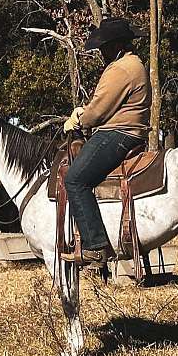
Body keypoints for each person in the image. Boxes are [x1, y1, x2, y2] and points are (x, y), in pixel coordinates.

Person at [61, 17, 151, 268]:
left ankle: (95, 247)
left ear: (116, 46)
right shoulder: (135, 64)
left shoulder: (120, 69)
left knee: (75, 180)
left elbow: (99, 110)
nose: (101, 52)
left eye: (104, 47)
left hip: (119, 133)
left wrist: (79, 119)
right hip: (131, 131)